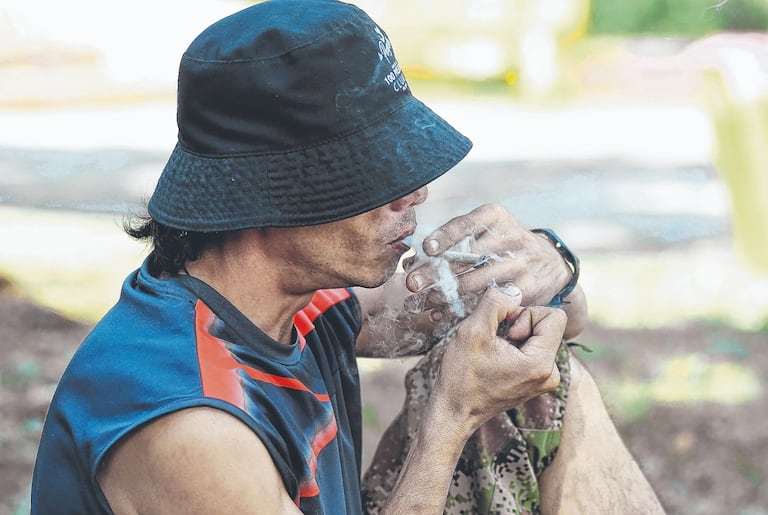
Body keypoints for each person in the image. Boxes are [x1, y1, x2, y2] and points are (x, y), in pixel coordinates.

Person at [31, 1, 664, 513]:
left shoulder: (301, 295)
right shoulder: (192, 423)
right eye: (372, 174)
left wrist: (552, 264)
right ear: (269, 191)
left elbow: (562, 319)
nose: (414, 193)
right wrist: (452, 415)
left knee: (545, 386)